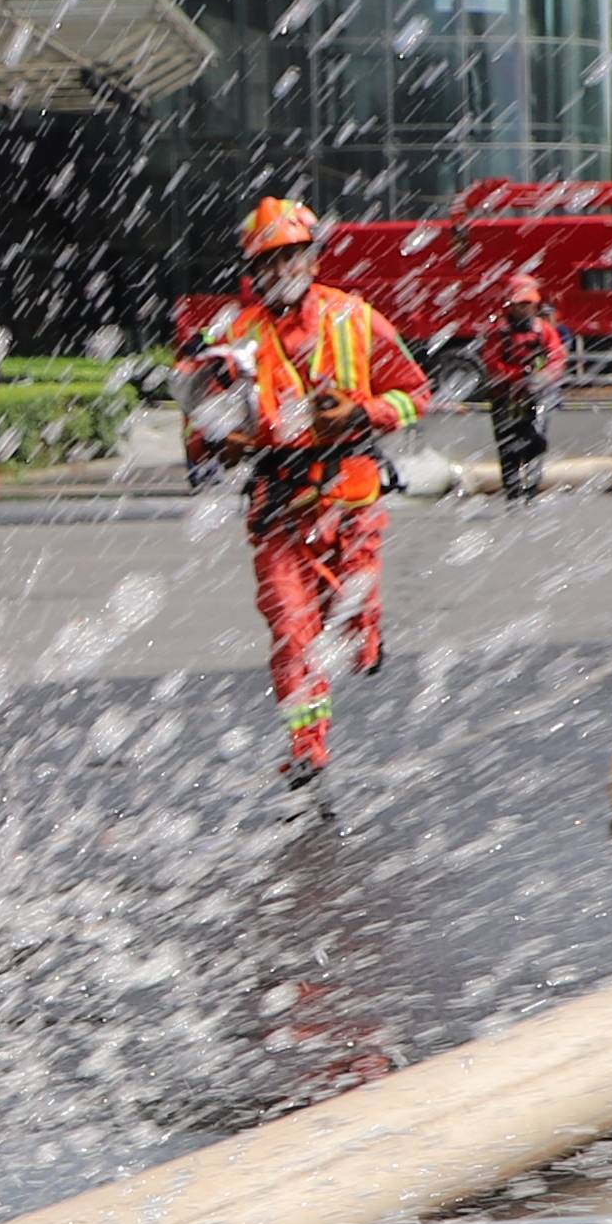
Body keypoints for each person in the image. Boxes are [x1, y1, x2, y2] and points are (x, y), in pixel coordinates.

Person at [192, 194, 430, 786]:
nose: (279, 273)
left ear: (312, 259)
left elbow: (416, 394)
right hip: (278, 509)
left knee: (352, 622)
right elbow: (203, 423)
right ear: (253, 273)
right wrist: (218, 441)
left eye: (290, 258)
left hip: (351, 504)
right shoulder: (235, 335)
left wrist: (360, 414)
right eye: (267, 263)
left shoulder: (356, 319)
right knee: (291, 629)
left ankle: (365, 632)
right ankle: (307, 747)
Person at [471, 296, 558, 500]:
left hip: (535, 397)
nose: (524, 309)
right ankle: (513, 492)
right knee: (507, 445)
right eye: (520, 304)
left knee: (536, 441)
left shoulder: (543, 330)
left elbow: (556, 356)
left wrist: (543, 376)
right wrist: (519, 376)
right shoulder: (500, 332)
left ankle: (532, 490)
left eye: (527, 304)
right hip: (505, 397)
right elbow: (492, 361)